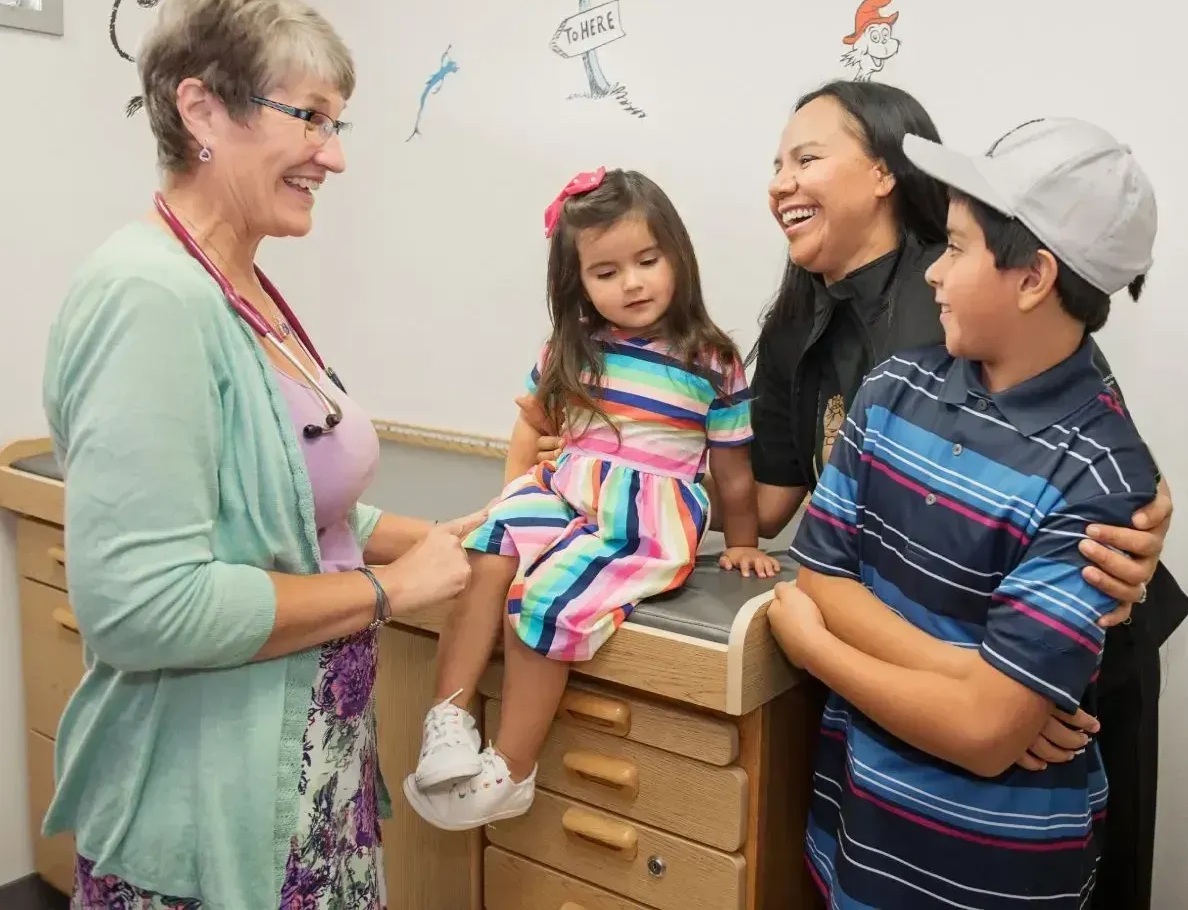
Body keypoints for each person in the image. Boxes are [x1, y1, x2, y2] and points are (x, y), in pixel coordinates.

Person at [518, 80, 1184, 908]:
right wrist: (608, 465)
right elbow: (764, 509)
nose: (779, 182)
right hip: (913, 722)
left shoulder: (969, 320)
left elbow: (1086, 445)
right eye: (775, 163)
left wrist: (1005, 692)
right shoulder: (812, 327)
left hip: (1065, 685)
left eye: (807, 157)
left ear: (883, 173)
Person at [41, 0, 484, 909]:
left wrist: (442, 533)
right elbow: (141, 607)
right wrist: (390, 590)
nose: (335, 155)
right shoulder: (150, 298)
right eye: (311, 117)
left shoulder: (237, 286)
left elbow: (277, 487)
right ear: (201, 108)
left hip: (308, 779)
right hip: (210, 810)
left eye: (340, 123)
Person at [766, 115, 1160, 908]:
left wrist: (819, 648)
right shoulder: (894, 389)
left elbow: (984, 732)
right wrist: (968, 678)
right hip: (863, 833)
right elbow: (824, 572)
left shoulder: (1101, 473)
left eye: (956, 247)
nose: (936, 273)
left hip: (994, 872)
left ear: (1034, 276)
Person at [401, 167, 779, 831]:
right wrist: (514, 497)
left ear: (676, 257)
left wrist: (742, 541)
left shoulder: (711, 358)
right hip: (568, 488)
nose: (632, 282)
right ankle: (451, 715)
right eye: (606, 272)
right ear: (579, 282)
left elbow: (734, 469)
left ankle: (513, 766)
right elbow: (533, 424)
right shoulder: (571, 351)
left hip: (646, 516)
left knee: (545, 599)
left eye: (646, 260)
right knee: (484, 544)